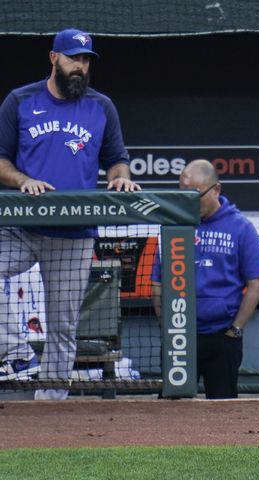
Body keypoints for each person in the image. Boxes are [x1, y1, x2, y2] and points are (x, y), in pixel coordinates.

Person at [0, 28, 139, 399]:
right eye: (73, 58)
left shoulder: (100, 106)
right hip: (22, 228)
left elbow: (117, 161)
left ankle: (51, 410)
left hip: (73, 234)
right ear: (53, 58)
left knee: (62, 327)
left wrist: (120, 180)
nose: (80, 66)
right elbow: (1, 160)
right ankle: (16, 353)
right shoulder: (20, 101)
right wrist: (22, 179)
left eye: (85, 60)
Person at [151, 159, 259, 399]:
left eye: (194, 194)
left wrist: (235, 330)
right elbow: (157, 283)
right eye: (183, 194)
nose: (188, 201)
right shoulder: (173, 225)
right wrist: (168, 327)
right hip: (179, 336)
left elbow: (255, 286)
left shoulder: (241, 228)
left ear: (216, 190)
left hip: (222, 336)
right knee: (170, 413)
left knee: (223, 413)